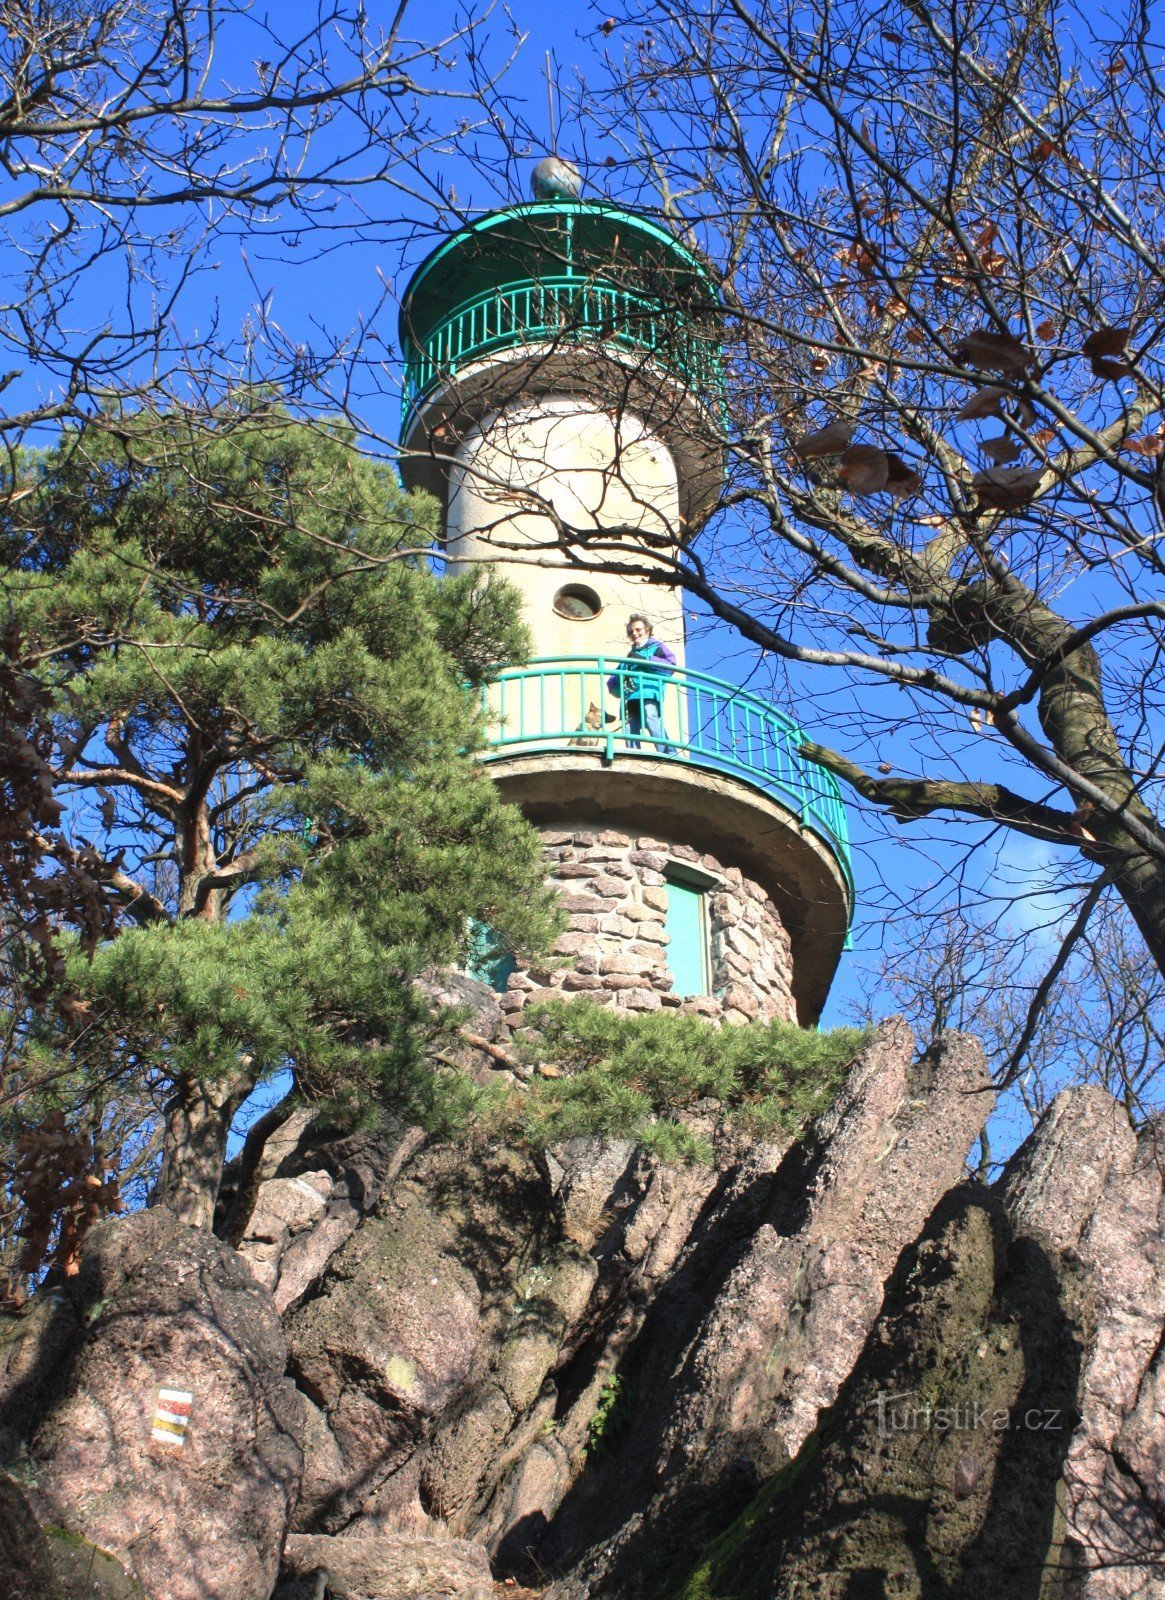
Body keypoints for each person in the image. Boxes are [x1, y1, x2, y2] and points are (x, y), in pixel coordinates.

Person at [607, 614, 677, 754]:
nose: (634, 633)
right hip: (631, 695)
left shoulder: (656, 647)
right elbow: (613, 682)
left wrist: (645, 660)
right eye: (631, 632)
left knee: (651, 717)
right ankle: (634, 753)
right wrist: (619, 679)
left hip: (648, 692)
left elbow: (671, 665)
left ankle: (668, 753)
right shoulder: (629, 656)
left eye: (638, 630)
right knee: (629, 725)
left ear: (648, 630)